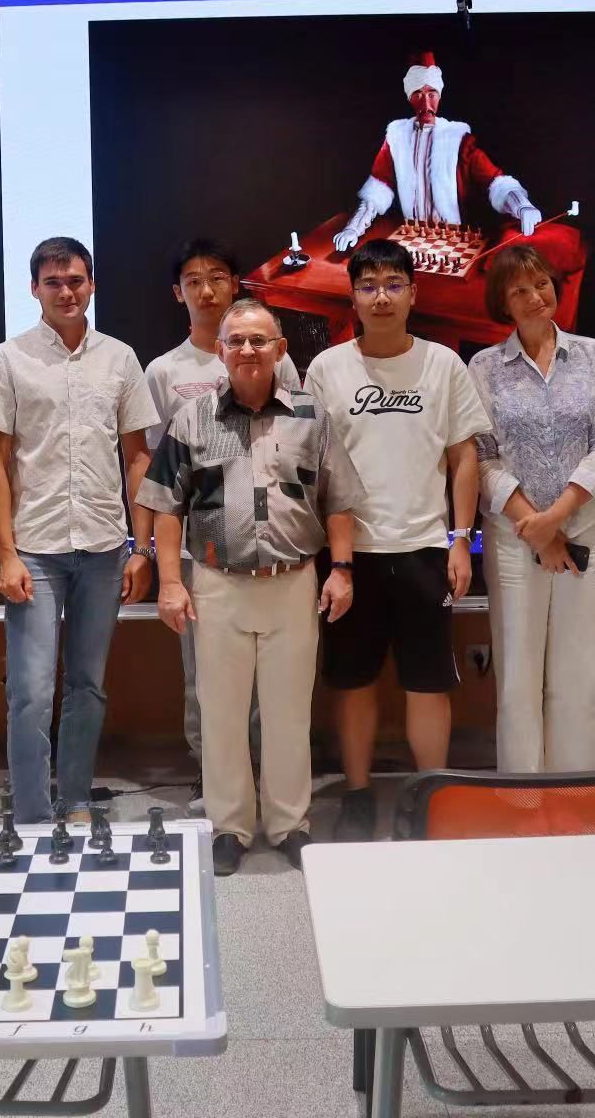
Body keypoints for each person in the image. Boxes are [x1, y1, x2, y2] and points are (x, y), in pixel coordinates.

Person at [138, 299, 360, 875]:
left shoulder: (312, 416)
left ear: (280, 350)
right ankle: (229, 826)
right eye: (236, 341)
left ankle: (289, 823)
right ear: (220, 351)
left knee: (289, 713)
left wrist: (341, 570)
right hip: (217, 584)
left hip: (293, 582)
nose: (247, 350)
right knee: (221, 712)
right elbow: (166, 506)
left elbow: (339, 500)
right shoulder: (192, 419)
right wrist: (170, 582)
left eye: (259, 340)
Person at [305, 239, 492, 841]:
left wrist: (460, 539)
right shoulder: (327, 369)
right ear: (352, 298)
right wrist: (335, 559)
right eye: (368, 286)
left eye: (392, 284)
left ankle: (429, 794)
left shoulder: (444, 365)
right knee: (353, 681)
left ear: (414, 292)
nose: (380, 296)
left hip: (425, 550)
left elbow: (464, 457)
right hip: (349, 556)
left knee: (428, 683)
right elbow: (317, 465)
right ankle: (357, 794)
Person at [0, 236, 160, 823]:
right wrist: (5, 555)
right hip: (34, 548)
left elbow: (137, 457)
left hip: (105, 546)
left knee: (87, 684)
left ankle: (76, 798)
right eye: (53, 282)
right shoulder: (7, 360)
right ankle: (33, 815)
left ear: (92, 285)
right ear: (34, 288)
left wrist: (141, 547)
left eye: (76, 280)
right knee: (31, 690)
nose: (66, 291)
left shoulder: (120, 359)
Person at [141, 239, 300, 807]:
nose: (206, 290)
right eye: (193, 280)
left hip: (274, 552)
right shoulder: (164, 371)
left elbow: (295, 445)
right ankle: (214, 780)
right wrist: (156, 560)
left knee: (271, 682)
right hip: (201, 554)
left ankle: (266, 782)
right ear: (177, 292)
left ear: (236, 284)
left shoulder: (277, 360)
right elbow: (159, 472)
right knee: (206, 679)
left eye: (217, 278)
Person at [467, 243, 595, 773]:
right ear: (502, 302)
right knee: (517, 674)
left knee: (579, 671)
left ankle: (575, 791)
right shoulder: (485, 366)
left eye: (542, 284)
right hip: (514, 535)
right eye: (520, 290)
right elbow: (482, 456)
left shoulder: (593, 355)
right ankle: (524, 796)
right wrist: (533, 526)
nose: (535, 297)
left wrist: (556, 520)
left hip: (587, 528)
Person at [332, 51, 543, 252]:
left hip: (454, 241)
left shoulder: (458, 139)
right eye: (418, 94)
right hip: (413, 239)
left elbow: (496, 182)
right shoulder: (396, 137)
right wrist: (353, 228)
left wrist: (521, 206)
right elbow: (378, 189)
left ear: (439, 96)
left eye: (432, 94)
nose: (426, 103)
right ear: (409, 98)